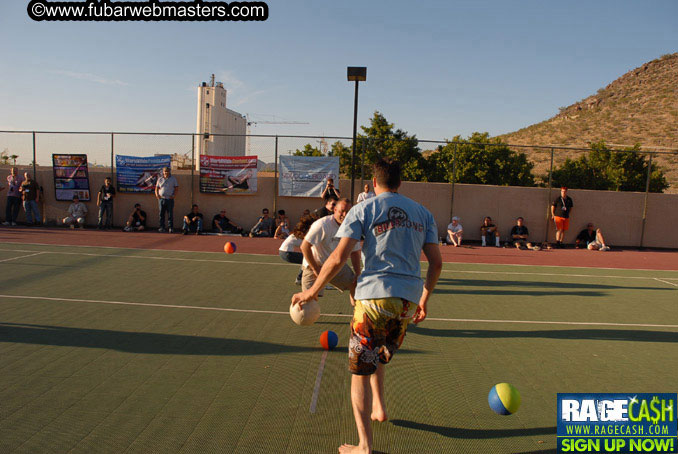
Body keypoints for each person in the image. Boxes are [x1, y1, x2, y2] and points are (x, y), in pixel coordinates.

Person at [292, 158, 442, 454]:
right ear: (400, 183)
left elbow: (336, 259)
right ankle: (380, 408)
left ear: (374, 183)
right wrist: (423, 300)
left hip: (373, 298)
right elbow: (436, 263)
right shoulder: (422, 213)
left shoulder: (364, 209)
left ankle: (364, 447)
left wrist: (311, 292)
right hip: (406, 302)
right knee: (378, 353)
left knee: (360, 371)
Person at [299, 198, 361, 304]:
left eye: (348, 212)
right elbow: (304, 246)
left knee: (356, 284)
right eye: (342, 211)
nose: (345, 215)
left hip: (334, 266)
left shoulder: (353, 227)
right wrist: (315, 268)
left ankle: (357, 313)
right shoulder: (322, 225)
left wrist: (358, 273)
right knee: (307, 302)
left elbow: (355, 252)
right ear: (335, 210)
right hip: (314, 265)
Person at [279, 214, 316, 285]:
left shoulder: (297, 234)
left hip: (283, 252)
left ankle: (299, 279)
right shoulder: (300, 236)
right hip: (286, 253)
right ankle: (300, 279)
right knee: (308, 260)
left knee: (306, 260)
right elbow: (307, 246)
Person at [155, 167, 179, 233]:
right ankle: (161, 227)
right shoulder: (160, 179)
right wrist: (157, 195)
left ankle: (170, 227)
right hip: (161, 199)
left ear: (169, 171)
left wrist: (174, 196)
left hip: (169, 199)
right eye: (165, 171)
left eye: (167, 171)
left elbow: (176, 188)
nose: (166, 172)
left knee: (170, 214)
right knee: (161, 214)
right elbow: (156, 188)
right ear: (163, 172)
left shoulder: (173, 179)